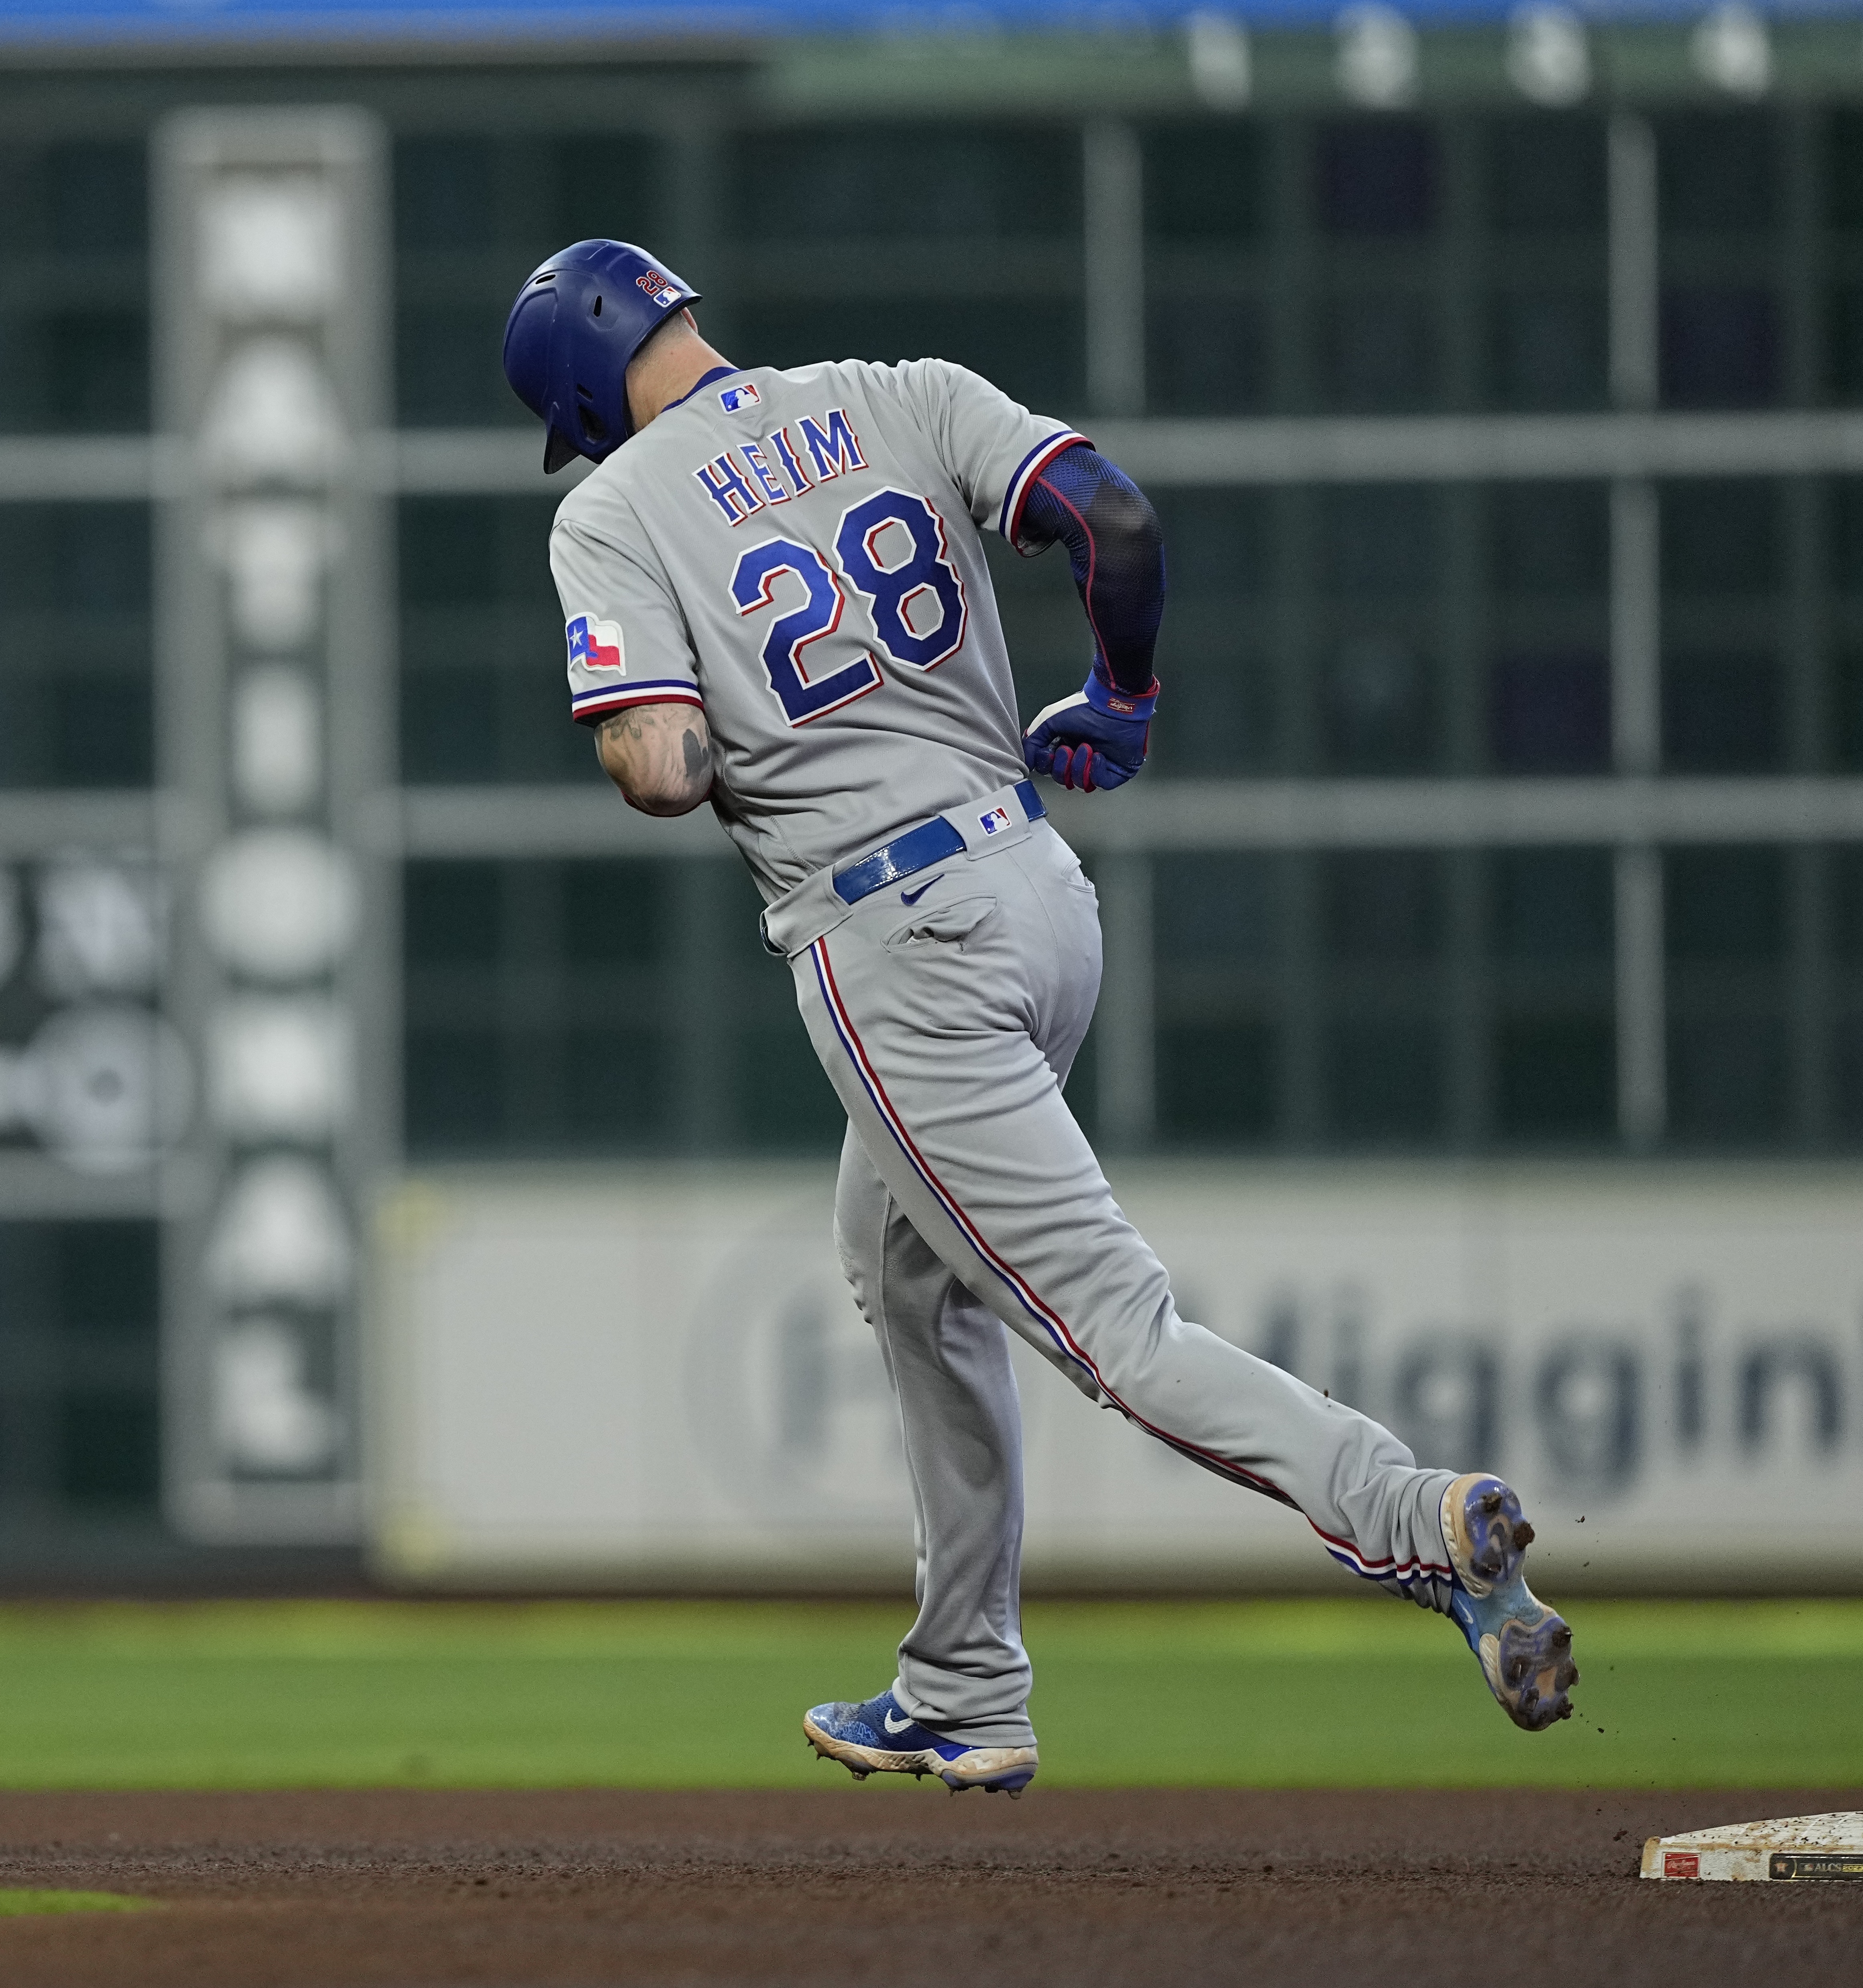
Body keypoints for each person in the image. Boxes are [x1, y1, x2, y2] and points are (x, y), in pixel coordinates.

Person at [501, 241, 1575, 1794]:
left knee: (1111, 1328)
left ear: (583, 391)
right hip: (1035, 890)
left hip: (894, 942)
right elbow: (1112, 520)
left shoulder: (607, 511)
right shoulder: (894, 392)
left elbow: (660, 767)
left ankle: (1418, 1524)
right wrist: (1122, 700)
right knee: (901, 1273)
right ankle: (961, 1686)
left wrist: (707, 742)